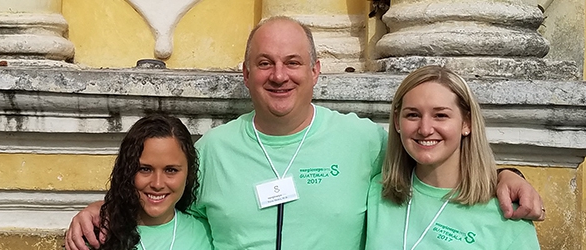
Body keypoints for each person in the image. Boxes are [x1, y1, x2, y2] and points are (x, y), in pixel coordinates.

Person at [65, 16, 544, 250]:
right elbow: (158, 200)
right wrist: (104, 208)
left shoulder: (365, 142)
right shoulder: (210, 152)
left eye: (293, 62)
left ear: (316, 71)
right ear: (245, 73)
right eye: (265, 63)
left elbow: (430, 156)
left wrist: (504, 173)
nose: (280, 75)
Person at [366, 66, 540, 249]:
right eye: (413, 115)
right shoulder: (376, 192)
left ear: (467, 123)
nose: (425, 129)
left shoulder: (507, 214)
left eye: (440, 115)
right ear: (397, 122)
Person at [89, 114, 212, 250]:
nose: (157, 184)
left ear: (189, 173)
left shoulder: (208, 234)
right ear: (127, 171)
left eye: (171, 170)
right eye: (145, 169)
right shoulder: (97, 235)